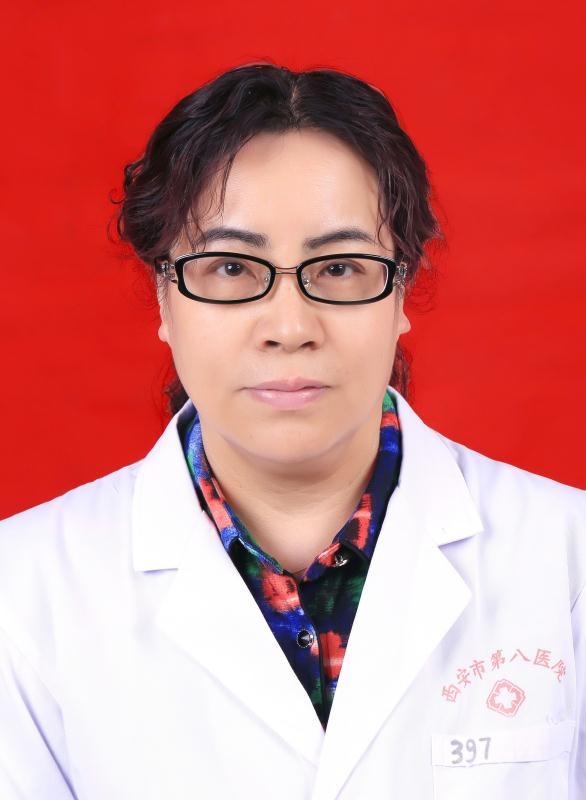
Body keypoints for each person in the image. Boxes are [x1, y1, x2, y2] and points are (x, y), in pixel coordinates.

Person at [0, 63, 584, 800]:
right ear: (163, 297)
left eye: (338, 267)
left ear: (402, 287)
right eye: (229, 268)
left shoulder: (567, 559)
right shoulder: (22, 592)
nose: (288, 326)